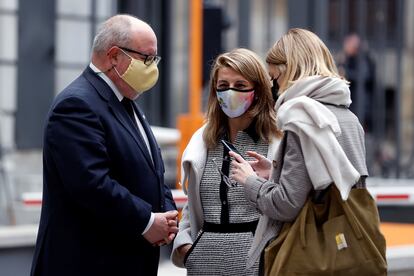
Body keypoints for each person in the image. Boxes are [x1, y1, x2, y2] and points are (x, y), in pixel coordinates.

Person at [30, 14, 178, 276]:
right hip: (88, 262)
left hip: (127, 258)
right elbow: (91, 184)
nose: (152, 67)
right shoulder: (77, 105)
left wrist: (165, 213)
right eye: (147, 58)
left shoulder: (126, 101)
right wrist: (146, 221)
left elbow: (150, 169)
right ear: (113, 56)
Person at [230, 28, 369, 270]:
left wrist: (251, 181)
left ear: (289, 70)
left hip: (310, 256)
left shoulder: (301, 118)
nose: (275, 86)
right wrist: (275, 173)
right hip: (349, 251)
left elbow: (286, 204)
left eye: (275, 77)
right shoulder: (349, 118)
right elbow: (333, 184)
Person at [171, 48, 281, 275]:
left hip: (259, 267)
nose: (230, 92)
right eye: (223, 86)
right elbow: (193, 205)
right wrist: (185, 246)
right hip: (204, 266)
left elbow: (288, 202)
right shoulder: (202, 140)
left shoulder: (277, 141)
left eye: (240, 86)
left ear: (258, 90)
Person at [337, 33, 375, 133]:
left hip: (361, 103)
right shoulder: (347, 57)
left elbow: (363, 77)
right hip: (351, 101)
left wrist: (346, 72)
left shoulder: (363, 58)